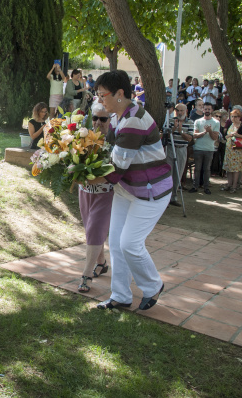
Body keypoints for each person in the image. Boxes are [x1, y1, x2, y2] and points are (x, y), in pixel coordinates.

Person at [89, 70, 171, 311]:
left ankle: (153, 285)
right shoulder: (119, 115)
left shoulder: (134, 120)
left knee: (129, 244)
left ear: (120, 93)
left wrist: (87, 176)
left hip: (150, 191)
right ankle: (121, 295)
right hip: (128, 189)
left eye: (102, 95)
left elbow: (116, 170)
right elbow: (109, 149)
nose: (100, 100)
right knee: (115, 243)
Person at [76, 102, 114, 293]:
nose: (98, 122)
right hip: (85, 191)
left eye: (103, 119)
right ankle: (101, 263)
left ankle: (86, 275)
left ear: (110, 120)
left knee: (94, 230)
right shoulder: (84, 136)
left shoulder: (116, 140)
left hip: (105, 193)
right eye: (95, 118)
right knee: (89, 229)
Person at [163, 104, 193, 207]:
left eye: (182, 110)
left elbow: (189, 138)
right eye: (178, 110)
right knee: (168, 174)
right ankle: (165, 198)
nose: (180, 113)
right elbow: (165, 135)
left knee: (178, 173)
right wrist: (174, 129)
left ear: (186, 111)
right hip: (171, 148)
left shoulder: (190, 122)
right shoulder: (171, 121)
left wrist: (180, 131)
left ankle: (173, 197)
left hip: (182, 149)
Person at [190, 102, 219, 194]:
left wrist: (210, 131)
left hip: (209, 149)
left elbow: (215, 137)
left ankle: (206, 187)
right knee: (197, 169)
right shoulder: (198, 121)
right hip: (198, 148)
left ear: (212, 110)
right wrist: (203, 133)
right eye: (205, 109)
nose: (207, 110)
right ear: (203, 109)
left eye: (209, 109)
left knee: (207, 169)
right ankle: (195, 186)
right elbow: (194, 135)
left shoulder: (216, 122)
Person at [221, 110, 242, 193]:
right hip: (229, 150)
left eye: (236, 116)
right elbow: (226, 136)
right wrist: (229, 136)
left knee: (236, 169)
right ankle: (229, 184)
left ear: (239, 117)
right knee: (229, 168)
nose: (234, 118)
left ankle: (234, 186)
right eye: (232, 116)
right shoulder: (231, 125)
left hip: (237, 150)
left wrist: (238, 135)